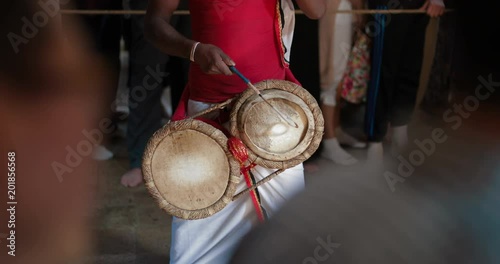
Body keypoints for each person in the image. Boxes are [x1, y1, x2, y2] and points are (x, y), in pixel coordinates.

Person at [144, 0, 326, 262]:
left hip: (273, 111)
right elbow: (153, 24)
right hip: (208, 111)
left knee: (291, 231)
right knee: (198, 233)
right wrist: (194, 50)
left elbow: (317, 10)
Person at [364, 0, 446, 162]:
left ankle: (400, 130)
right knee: (383, 70)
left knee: (410, 68)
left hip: (419, 5)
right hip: (388, 5)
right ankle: (375, 140)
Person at [319, 0, 366, 165]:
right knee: (331, 74)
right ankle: (329, 140)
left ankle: (336, 129)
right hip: (334, 7)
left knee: (341, 73)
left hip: (344, 8)